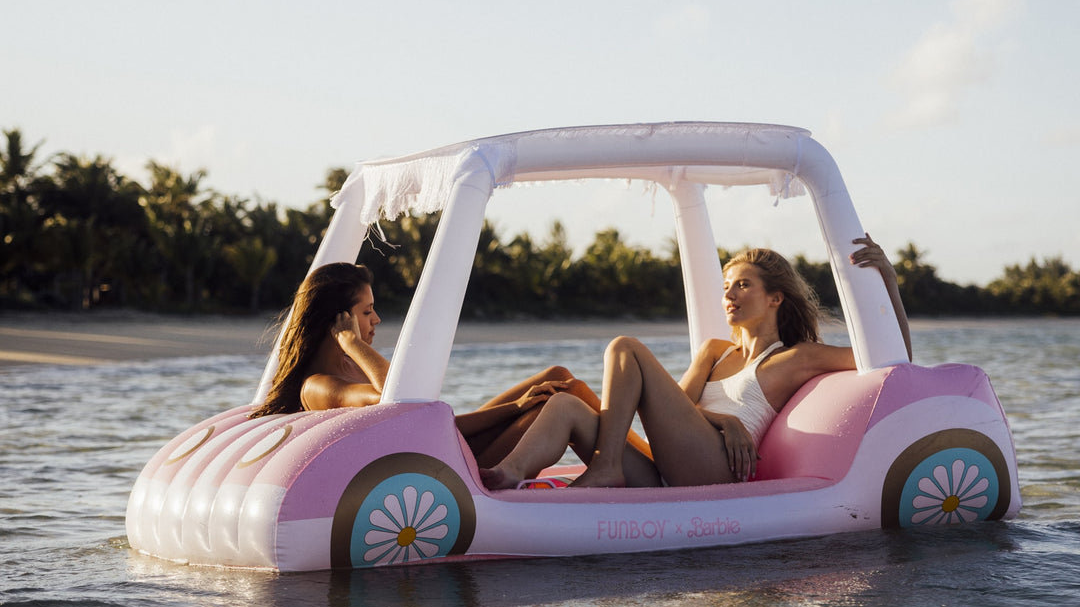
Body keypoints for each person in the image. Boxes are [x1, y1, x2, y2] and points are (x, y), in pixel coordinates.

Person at [479, 236, 911, 490]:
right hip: (676, 465)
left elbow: (894, 357)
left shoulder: (796, 358)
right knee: (566, 405)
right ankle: (505, 477)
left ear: (775, 298)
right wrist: (725, 421)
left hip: (717, 470)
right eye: (727, 286)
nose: (730, 295)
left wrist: (889, 283)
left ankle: (606, 468)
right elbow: (670, 414)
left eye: (743, 285)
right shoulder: (714, 352)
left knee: (624, 347)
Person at [250, 262, 637, 469]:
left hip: (443, 445)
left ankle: (630, 456)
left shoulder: (348, 373)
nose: (377, 320)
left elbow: (427, 420)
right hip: (442, 469)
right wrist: (351, 344)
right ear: (339, 321)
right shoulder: (317, 385)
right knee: (557, 400)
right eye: (366, 312)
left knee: (557, 379)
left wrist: (512, 409)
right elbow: (398, 396)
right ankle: (631, 465)